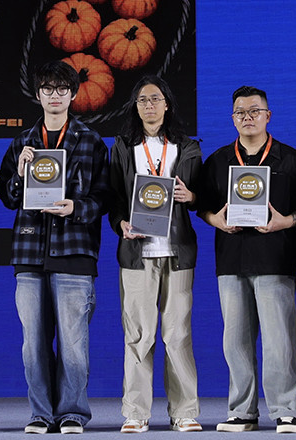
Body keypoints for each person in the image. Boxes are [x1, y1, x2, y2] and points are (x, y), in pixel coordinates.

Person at [0, 60, 110, 435]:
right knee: (33, 344)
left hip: (75, 252)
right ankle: (41, 413)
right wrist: (20, 175)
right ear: (38, 94)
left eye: (62, 89)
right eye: (48, 88)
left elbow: (105, 198)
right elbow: (7, 197)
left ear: (73, 94)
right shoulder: (22, 142)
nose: (55, 95)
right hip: (30, 254)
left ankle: (72, 411)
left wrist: (75, 207)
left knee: (74, 344)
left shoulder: (91, 141)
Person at [197, 86, 296, 434]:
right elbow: (203, 207)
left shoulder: (290, 159)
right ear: (233, 119)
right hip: (231, 260)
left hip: (276, 259)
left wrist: (286, 222)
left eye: (254, 111)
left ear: (268, 116)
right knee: (235, 342)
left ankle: (284, 410)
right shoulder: (218, 160)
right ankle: (242, 411)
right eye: (240, 112)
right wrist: (215, 220)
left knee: (279, 340)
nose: (248, 117)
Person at [108, 75, 203, 433]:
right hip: (137, 252)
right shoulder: (123, 146)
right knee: (138, 334)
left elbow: (204, 195)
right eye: (142, 100)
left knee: (177, 334)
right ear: (135, 107)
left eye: (155, 99)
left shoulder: (187, 147)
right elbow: (114, 196)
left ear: (167, 104)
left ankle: (184, 411)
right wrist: (120, 223)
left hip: (177, 251)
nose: (149, 105)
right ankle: (136, 412)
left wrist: (191, 197)